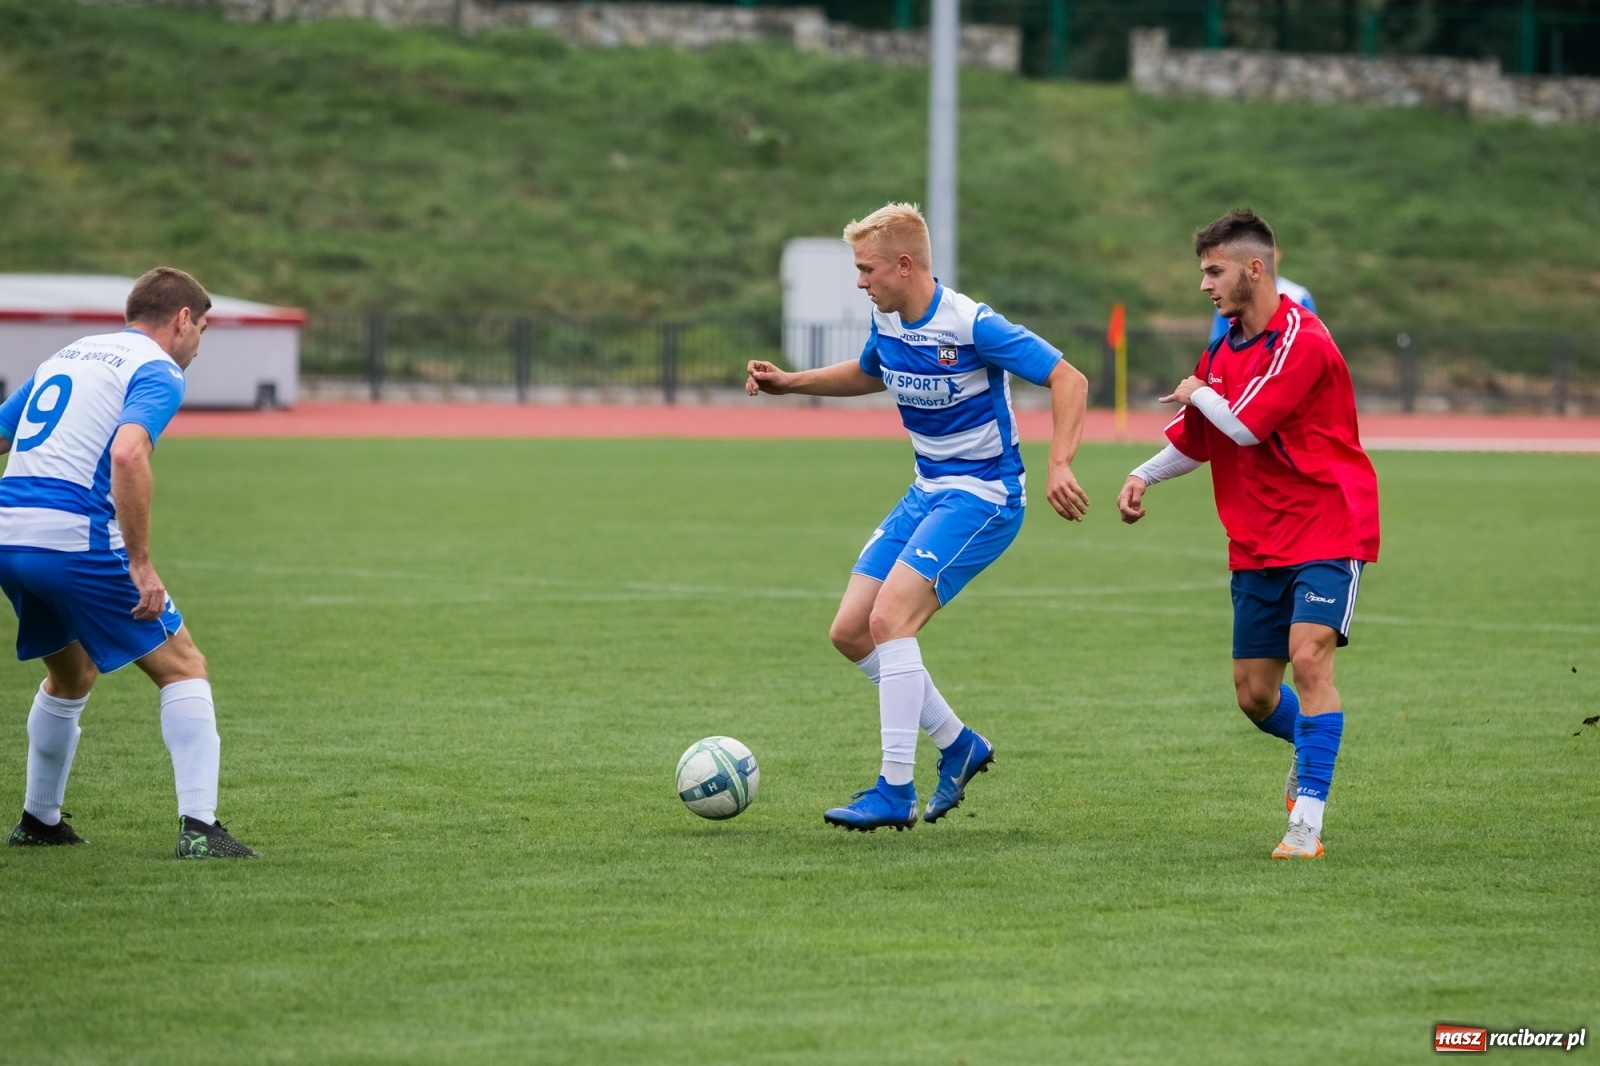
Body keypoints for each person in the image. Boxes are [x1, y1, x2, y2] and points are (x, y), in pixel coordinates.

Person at [746, 203, 1089, 831]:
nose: (860, 282)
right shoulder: (889, 321)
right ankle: (959, 745)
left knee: (889, 619)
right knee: (850, 631)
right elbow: (869, 372)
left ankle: (894, 788)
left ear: (905, 266)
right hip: (927, 492)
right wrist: (790, 384)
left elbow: (1069, 378)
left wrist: (1059, 463)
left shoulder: (971, 325)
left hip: (983, 499)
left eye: (867, 269)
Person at [1116, 210, 1379, 860]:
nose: (1204, 285)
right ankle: (1310, 741)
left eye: (1214, 271)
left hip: (1328, 523)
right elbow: (1203, 438)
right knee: (1255, 694)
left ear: (1254, 268)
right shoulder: (1224, 347)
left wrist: (1201, 392)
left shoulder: (1302, 339)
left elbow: (1245, 425)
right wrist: (1143, 474)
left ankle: (1306, 826)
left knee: (1311, 660)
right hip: (1258, 540)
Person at [2, 267, 258, 859]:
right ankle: (201, 830)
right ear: (182, 319)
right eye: (203, 328)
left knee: (70, 676)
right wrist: (140, 564)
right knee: (183, 664)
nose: (199, 343)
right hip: (74, 538)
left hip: (9, 535)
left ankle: (39, 822)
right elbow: (126, 451)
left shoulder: (68, 355)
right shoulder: (157, 368)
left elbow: (1, 433)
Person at [1208, 254, 1315, 346]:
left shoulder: (1299, 295)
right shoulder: (1231, 298)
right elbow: (1218, 341)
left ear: (1277, 254)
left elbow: (1311, 340)